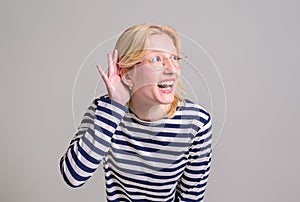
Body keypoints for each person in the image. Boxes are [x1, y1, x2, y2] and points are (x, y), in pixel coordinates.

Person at [60, 23, 212, 202]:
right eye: (156, 59)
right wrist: (115, 106)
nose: (172, 69)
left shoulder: (196, 122)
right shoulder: (105, 111)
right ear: (127, 73)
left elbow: (191, 198)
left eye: (174, 58)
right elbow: (73, 176)